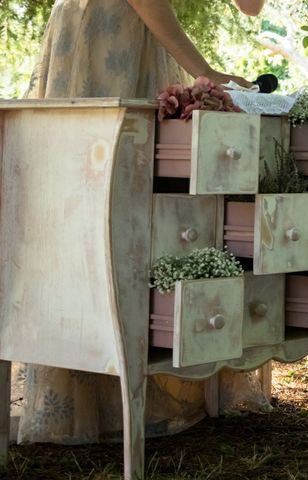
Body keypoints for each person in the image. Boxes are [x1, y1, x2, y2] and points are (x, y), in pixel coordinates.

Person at [17, 0, 268, 445]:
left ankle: (144, 388)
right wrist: (204, 70)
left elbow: (251, 8)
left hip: (138, 41)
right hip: (105, 31)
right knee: (107, 205)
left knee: (147, 210)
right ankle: (97, 389)